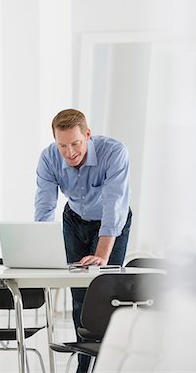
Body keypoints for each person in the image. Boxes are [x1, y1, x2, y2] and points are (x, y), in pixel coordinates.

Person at [35, 108, 132, 373]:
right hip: (75, 219)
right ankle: (84, 365)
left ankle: (108, 364)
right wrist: (39, 252)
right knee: (79, 296)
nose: (69, 152)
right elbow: (44, 208)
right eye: (62, 145)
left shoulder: (114, 153)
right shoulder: (49, 158)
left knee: (104, 294)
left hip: (111, 223)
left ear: (87, 135)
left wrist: (102, 254)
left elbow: (114, 207)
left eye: (76, 144)